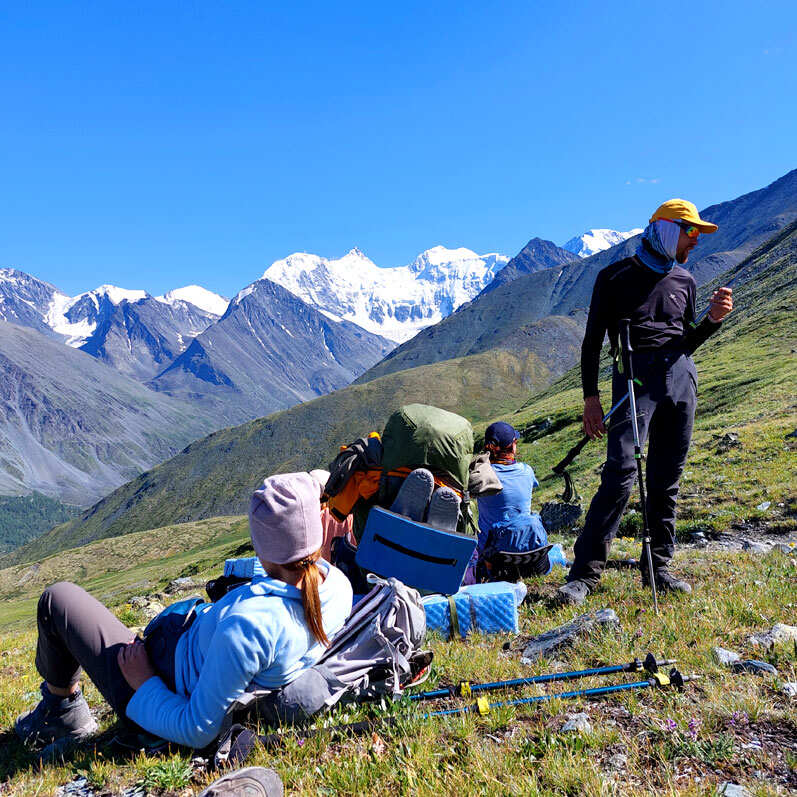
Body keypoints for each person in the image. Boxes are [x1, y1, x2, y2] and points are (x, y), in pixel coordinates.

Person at [15, 472, 353, 752]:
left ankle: (63, 711)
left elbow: (197, 729)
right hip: (193, 653)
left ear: (265, 548)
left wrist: (144, 681)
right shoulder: (336, 587)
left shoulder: (248, 628)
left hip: (158, 683)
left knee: (57, 599)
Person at [556, 199, 734, 605]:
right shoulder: (614, 277)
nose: (694, 242)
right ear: (669, 230)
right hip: (634, 384)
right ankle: (584, 575)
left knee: (665, 479)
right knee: (620, 473)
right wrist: (590, 399)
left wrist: (711, 319)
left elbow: (686, 341)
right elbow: (591, 344)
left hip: (680, 382)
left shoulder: (684, 281)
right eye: (690, 233)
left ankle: (658, 568)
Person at [463, 421, 547, 583]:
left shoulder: (482, 477)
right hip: (528, 549)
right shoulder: (526, 471)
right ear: (513, 446)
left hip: (494, 556)